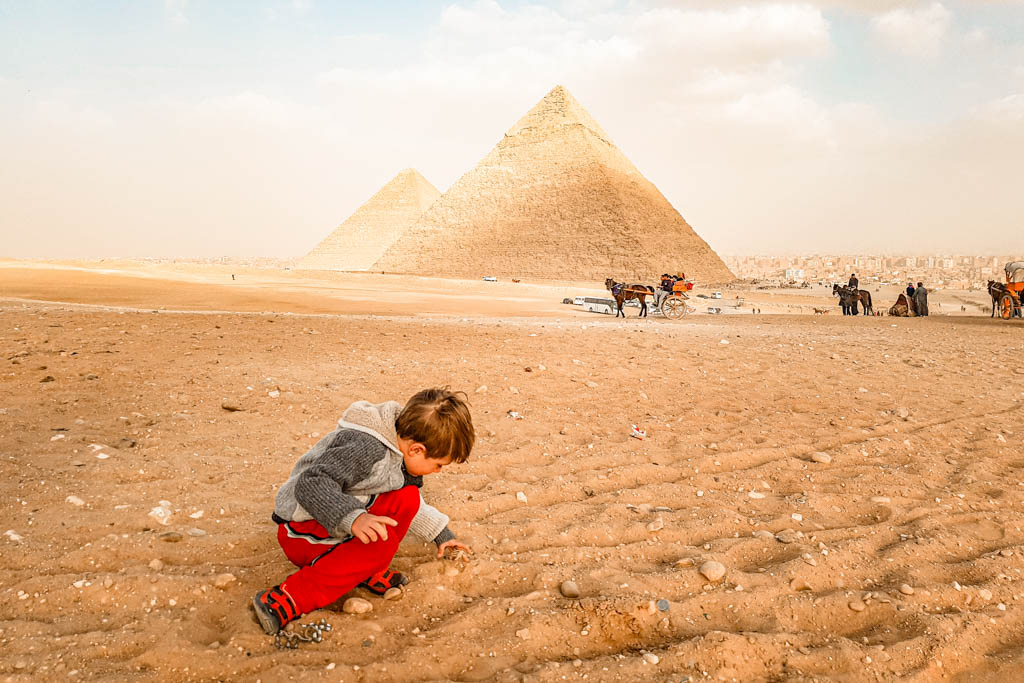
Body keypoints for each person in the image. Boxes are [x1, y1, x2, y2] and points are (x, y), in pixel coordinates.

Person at [252, 387, 475, 635]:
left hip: (333, 523)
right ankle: (287, 598)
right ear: (416, 450)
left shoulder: (398, 444)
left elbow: (406, 502)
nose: (437, 471)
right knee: (380, 546)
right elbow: (311, 483)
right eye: (438, 465)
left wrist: (442, 535)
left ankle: (365, 569)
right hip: (300, 530)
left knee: (407, 497)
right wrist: (354, 518)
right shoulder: (367, 448)